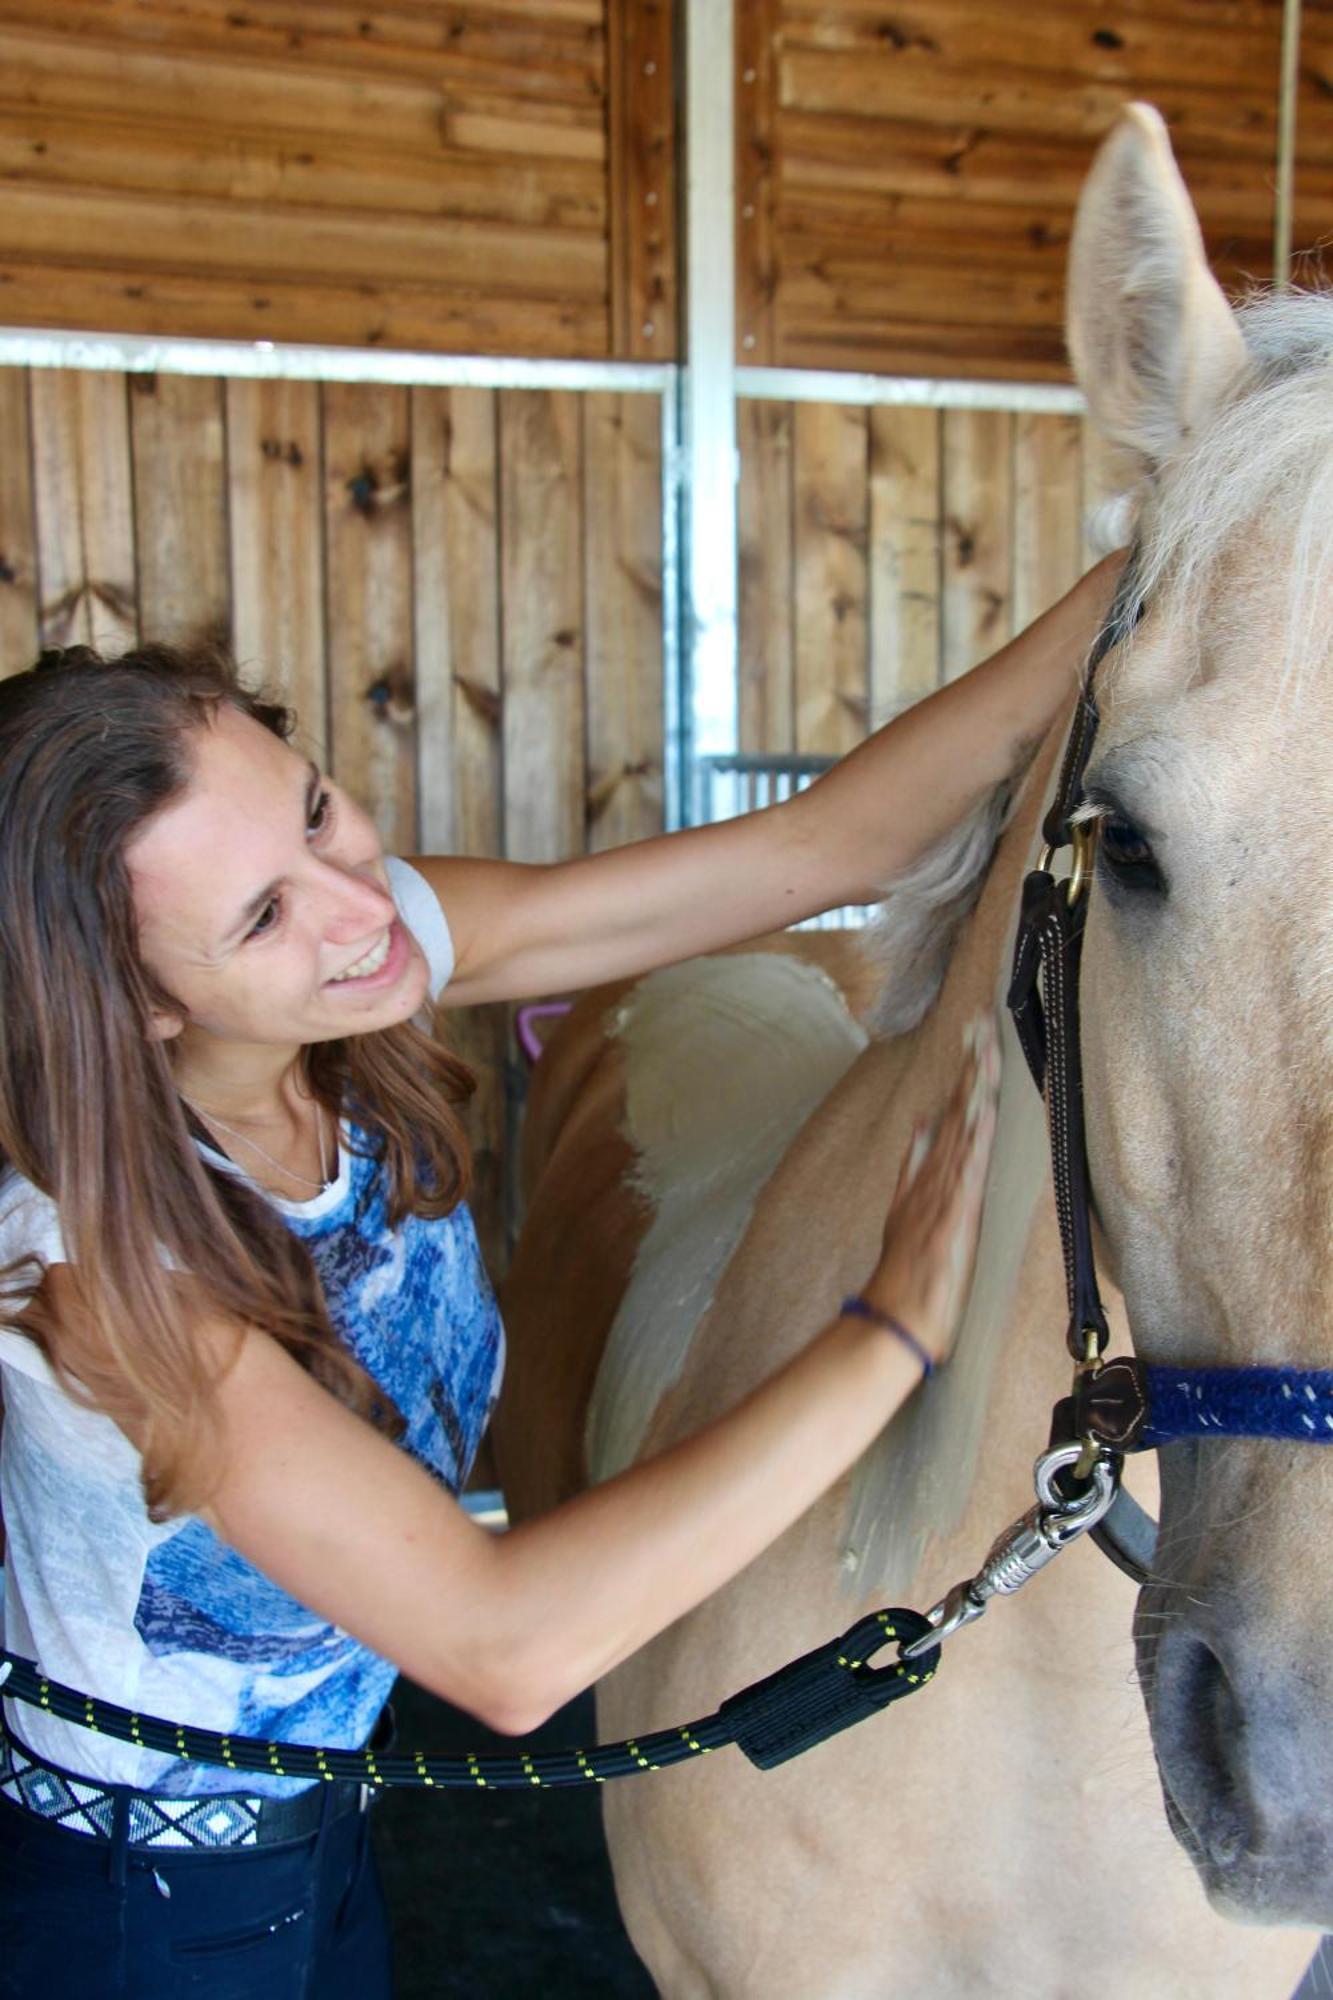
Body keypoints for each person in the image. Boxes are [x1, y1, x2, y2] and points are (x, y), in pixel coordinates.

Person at [0, 555, 1120, 1998]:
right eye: (261, 916)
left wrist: (1130, 576)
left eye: (319, 809)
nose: (355, 903)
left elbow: (835, 842)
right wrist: (887, 1330)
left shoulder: (352, 968)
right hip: (138, 1907)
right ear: (138, 1002)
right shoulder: (94, 1269)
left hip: (309, 1818)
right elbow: (508, 1647)